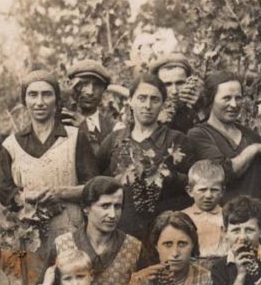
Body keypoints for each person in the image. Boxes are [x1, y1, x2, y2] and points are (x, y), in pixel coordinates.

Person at [0, 69, 98, 285]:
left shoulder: (73, 136)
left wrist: (61, 192)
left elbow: (94, 186)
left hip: (67, 232)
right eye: (33, 95)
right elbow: (4, 192)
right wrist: (24, 198)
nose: (40, 102)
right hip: (27, 238)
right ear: (24, 100)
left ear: (57, 98)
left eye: (46, 94)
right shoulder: (11, 144)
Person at [97, 74, 191, 242]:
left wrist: (169, 176)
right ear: (130, 101)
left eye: (154, 99)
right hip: (120, 233)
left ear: (162, 103)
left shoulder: (176, 140)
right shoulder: (115, 140)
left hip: (163, 234)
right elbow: (95, 183)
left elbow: (194, 185)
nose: (148, 105)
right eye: (142, 98)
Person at [186, 71, 261, 205]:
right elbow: (222, 173)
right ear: (211, 100)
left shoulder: (251, 135)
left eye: (238, 98)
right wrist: (254, 150)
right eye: (226, 98)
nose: (234, 105)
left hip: (254, 220)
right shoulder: (199, 134)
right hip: (222, 221)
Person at [64, 59, 117, 155]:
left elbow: (109, 165)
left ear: (104, 89)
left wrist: (85, 132)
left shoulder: (113, 127)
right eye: (84, 84)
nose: (90, 92)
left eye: (97, 85)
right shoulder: (58, 120)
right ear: (70, 85)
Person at [183, 159, 228, 265]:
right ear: (190, 191)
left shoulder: (229, 216)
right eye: (202, 190)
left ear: (223, 191)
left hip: (223, 270)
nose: (208, 196)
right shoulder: (182, 217)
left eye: (214, 190)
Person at [150, 53, 202, 134]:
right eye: (167, 84)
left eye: (180, 83)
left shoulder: (200, 108)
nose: (174, 91)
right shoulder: (150, 113)